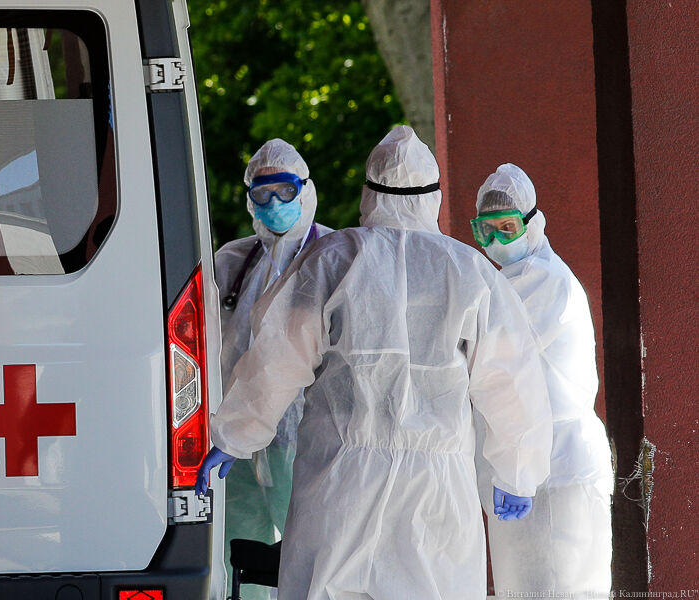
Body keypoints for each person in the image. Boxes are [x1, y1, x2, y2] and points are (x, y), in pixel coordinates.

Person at [197, 126, 553, 600]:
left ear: (368, 193)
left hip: (340, 475)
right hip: (436, 484)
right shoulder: (469, 270)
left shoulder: (333, 258)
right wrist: (519, 468)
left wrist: (236, 433)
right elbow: (510, 378)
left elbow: (279, 356)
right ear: (434, 196)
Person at [470, 163, 613, 599]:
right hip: (529, 470)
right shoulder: (507, 282)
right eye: (486, 231)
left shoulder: (543, 280)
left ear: (532, 223)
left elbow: (489, 358)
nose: (496, 241)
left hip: (560, 468)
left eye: (507, 228)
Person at [214, 138, 332, 600]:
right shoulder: (233, 262)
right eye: (262, 193)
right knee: (238, 554)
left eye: (285, 190)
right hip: (235, 437)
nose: (275, 203)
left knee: (311, 554)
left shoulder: (336, 255)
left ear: (305, 190)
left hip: (306, 434)